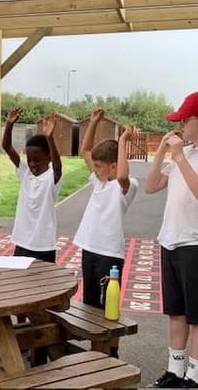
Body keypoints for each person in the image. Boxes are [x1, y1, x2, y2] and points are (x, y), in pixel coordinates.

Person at [145, 90, 198, 388]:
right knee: (176, 313)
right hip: (171, 240)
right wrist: (162, 152)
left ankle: (193, 377)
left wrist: (181, 156)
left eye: (184, 119)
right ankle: (175, 370)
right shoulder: (189, 151)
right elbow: (152, 185)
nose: (180, 124)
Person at [73, 108, 138, 358]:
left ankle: (111, 352)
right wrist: (93, 123)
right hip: (90, 249)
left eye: (100, 166)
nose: (95, 169)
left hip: (109, 255)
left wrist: (122, 141)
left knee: (106, 305)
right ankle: (94, 350)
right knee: (90, 304)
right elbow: (85, 151)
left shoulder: (125, 186)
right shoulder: (99, 182)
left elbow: (122, 174)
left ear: (112, 167)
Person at [2, 109, 63, 262]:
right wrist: (9, 123)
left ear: (48, 157)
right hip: (22, 243)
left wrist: (50, 138)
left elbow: (57, 166)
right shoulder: (25, 173)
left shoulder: (52, 178)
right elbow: (7, 147)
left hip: (44, 246)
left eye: (37, 160)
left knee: (44, 284)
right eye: (29, 160)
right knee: (20, 283)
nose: (32, 164)